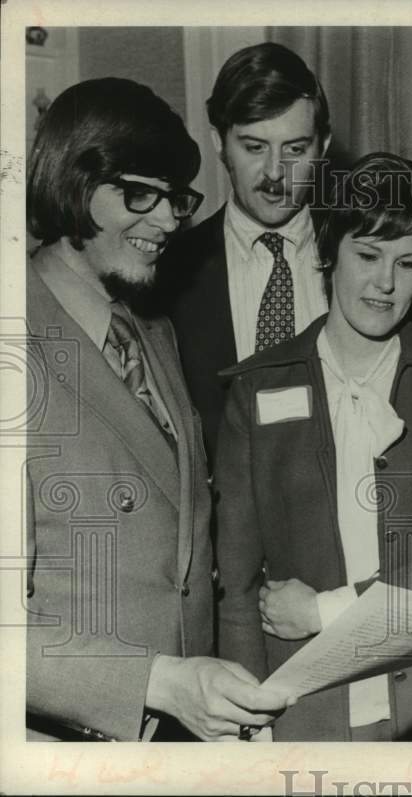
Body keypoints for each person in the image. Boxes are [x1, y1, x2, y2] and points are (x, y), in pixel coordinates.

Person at [214, 152, 412, 741]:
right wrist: (246, 718)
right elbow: (237, 583)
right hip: (302, 706)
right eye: (368, 256)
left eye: (408, 263)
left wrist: (328, 610)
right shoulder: (256, 388)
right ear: (329, 253)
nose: (386, 283)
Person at [24, 78, 293, 742]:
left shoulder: (154, 332)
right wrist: (158, 682)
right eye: (138, 194)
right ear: (72, 183)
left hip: (176, 738)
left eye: (174, 197)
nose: (170, 219)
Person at [159, 42, 332, 466]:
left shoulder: (368, 258)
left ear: (323, 147)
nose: (274, 173)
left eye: (294, 149)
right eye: (254, 147)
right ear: (219, 142)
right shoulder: (168, 270)